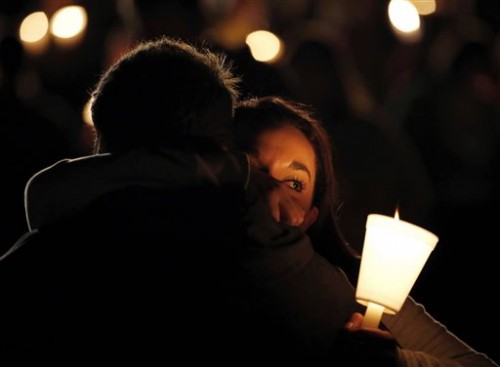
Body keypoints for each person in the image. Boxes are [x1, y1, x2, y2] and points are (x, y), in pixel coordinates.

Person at [1, 36, 359, 365]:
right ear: (217, 150)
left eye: (294, 181)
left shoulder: (45, 252)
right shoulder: (272, 262)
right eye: (248, 163)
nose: (270, 187)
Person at [232, 95, 500, 367]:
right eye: (252, 168)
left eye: (295, 183)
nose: (272, 190)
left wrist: (397, 361)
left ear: (311, 217)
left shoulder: (354, 281)